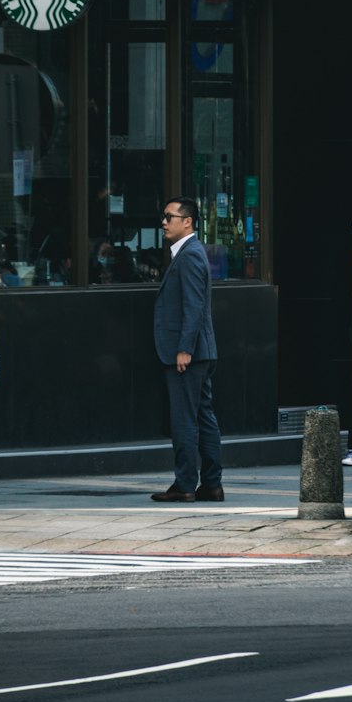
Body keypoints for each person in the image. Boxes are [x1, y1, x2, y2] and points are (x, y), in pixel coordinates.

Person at [151, 197, 223, 502]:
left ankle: (184, 485)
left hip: (188, 355)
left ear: (188, 222)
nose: (164, 222)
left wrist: (184, 349)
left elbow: (194, 307)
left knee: (185, 420)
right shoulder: (189, 253)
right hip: (200, 352)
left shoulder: (190, 255)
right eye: (164, 217)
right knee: (203, 417)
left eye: (170, 217)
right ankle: (211, 484)